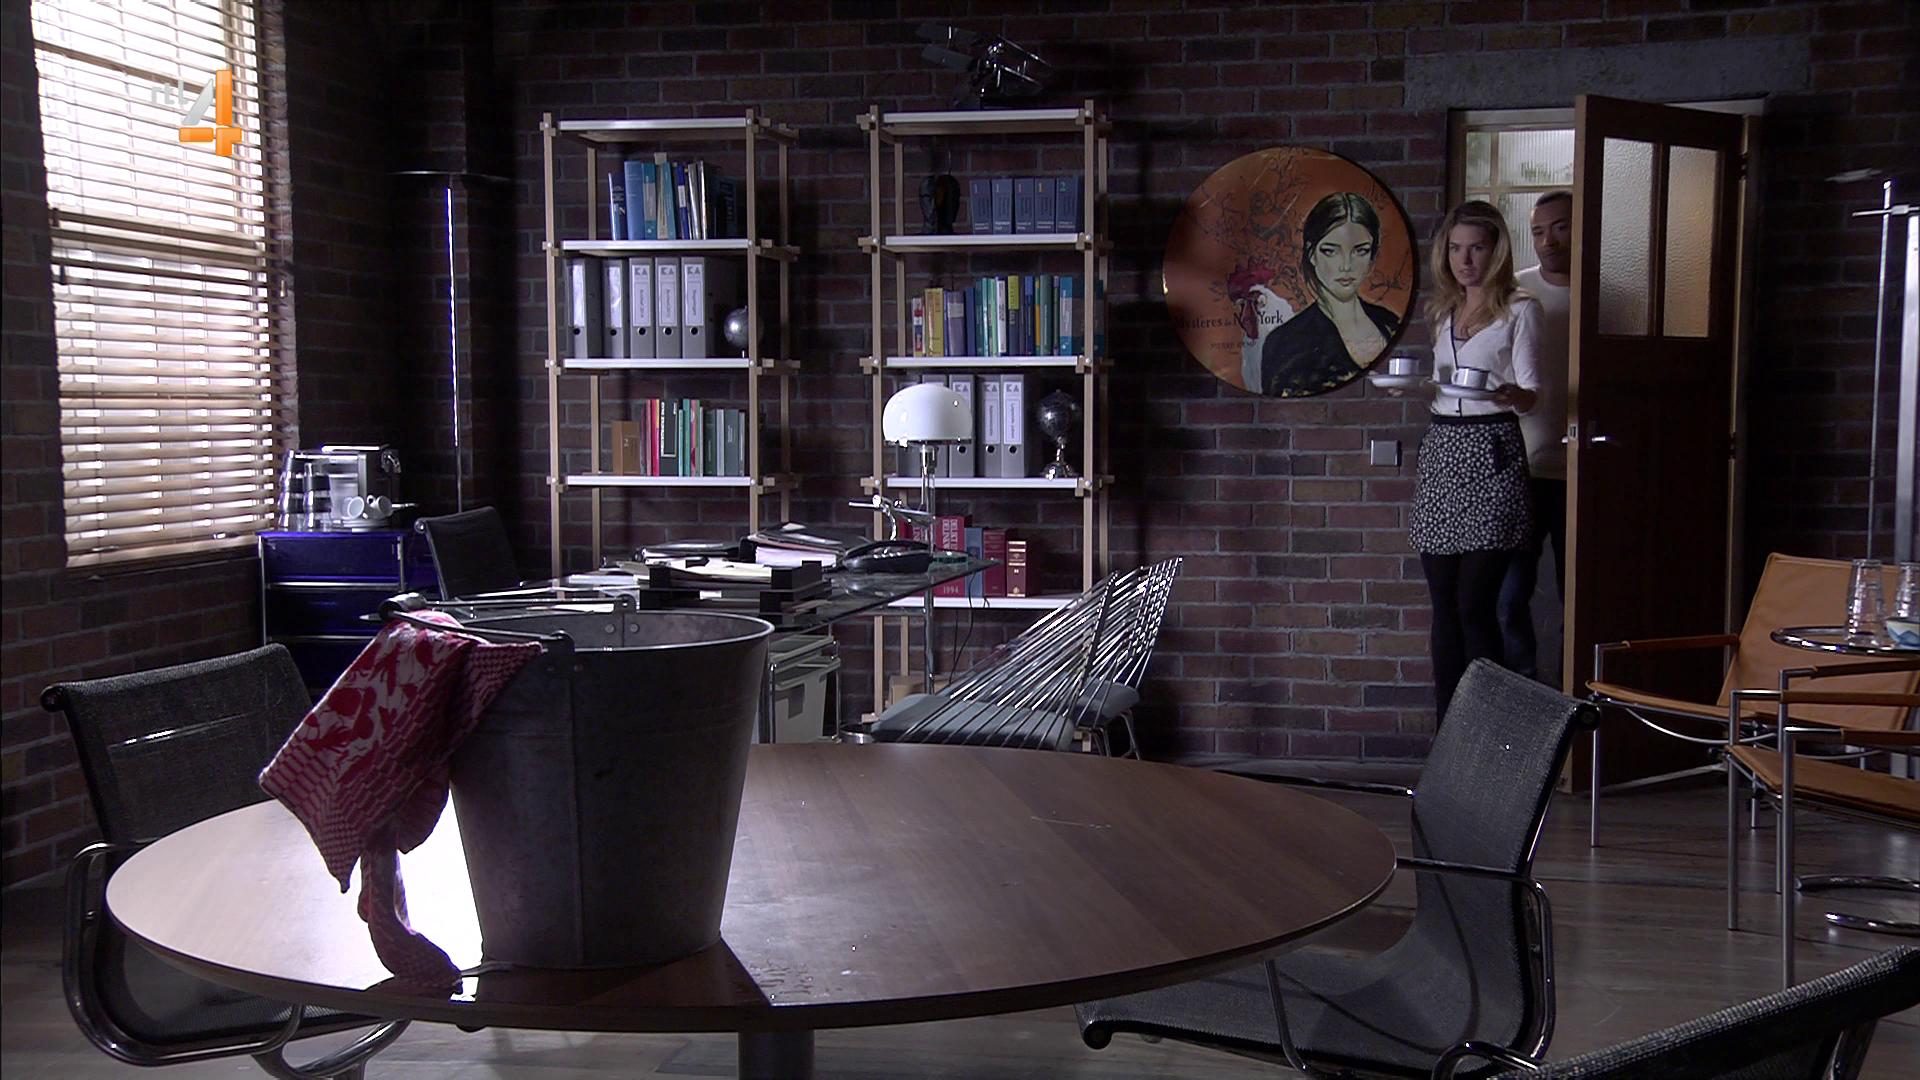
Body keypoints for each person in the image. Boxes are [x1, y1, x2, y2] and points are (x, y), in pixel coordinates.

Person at [1404, 200, 1544, 719]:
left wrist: (1509, 393)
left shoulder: (1521, 310)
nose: (1465, 260)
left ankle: (1487, 728)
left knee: (1474, 605)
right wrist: (1414, 387)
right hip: (1443, 450)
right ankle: (1448, 729)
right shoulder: (1442, 310)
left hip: (1492, 450)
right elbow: (1442, 386)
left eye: (1477, 248)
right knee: (1443, 607)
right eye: (1456, 249)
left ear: (1496, 251)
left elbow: (1533, 395)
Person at [1500, 190, 1572, 681]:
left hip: (1585, 469)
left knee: (1580, 598)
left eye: (1560, 227)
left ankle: (1578, 696)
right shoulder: (1516, 294)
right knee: (1509, 596)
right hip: (1522, 466)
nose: (1549, 241)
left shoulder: (1608, 295)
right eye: (1539, 231)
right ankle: (1521, 693)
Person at [1260, 191, 1401, 396]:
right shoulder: (1284, 342)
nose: (1346, 266)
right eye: (1330, 251)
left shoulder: (1389, 323)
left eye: (1360, 251)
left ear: (1372, 256)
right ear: (1312, 254)